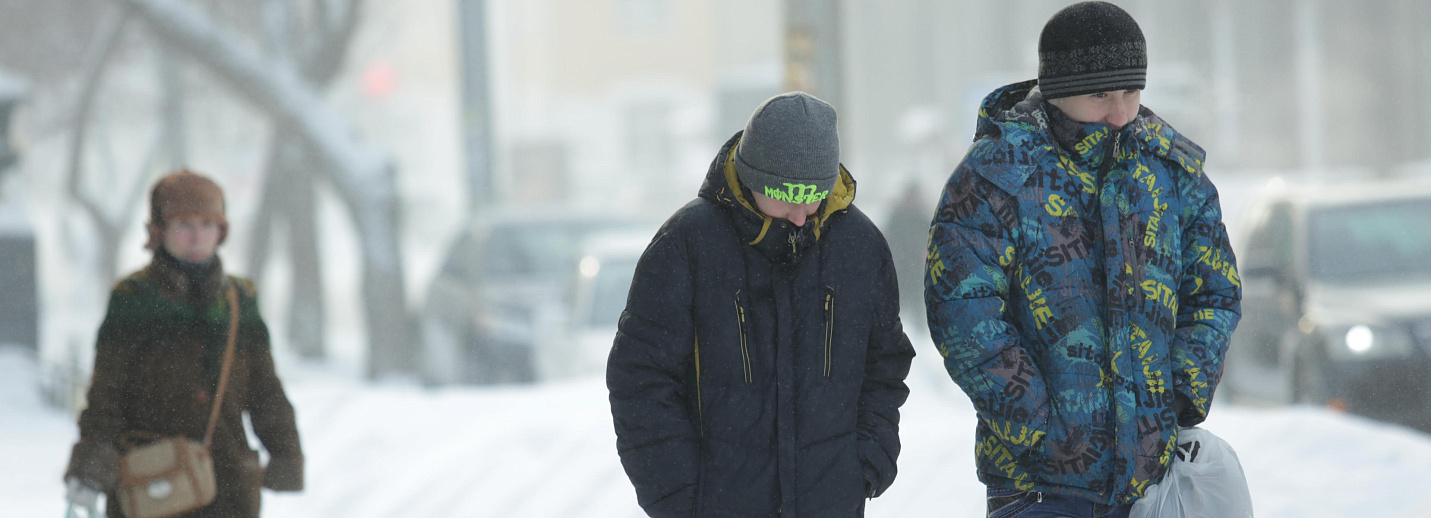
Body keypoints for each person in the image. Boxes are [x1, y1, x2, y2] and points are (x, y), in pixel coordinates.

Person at [923, 2, 1242, 517]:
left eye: (1131, 92)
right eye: (1100, 95)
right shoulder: (995, 177)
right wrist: (1038, 425)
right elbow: (961, 309)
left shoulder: (1173, 170)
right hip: (1037, 488)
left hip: (1150, 481)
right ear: (1057, 88)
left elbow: (1215, 293)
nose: (1120, 113)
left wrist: (1179, 393)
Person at [607, 92, 916, 517]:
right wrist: (680, 496)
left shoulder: (859, 247)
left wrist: (866, 462)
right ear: (753, 180)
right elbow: (641, 380)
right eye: (789, 195)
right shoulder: (687, 245)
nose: (801, 214)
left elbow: (885, 365)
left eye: (814, 195)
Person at [64, 170, 304, 517]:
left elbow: (264, 388)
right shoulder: (134, 298)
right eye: (184, 224)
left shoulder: (239, 299)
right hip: (150, 484)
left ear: (221, 231)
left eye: (208, 224)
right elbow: (107, 394)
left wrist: (285, 453)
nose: (197, 236)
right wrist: (90, 469)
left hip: (228, 486)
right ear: (160, 230)